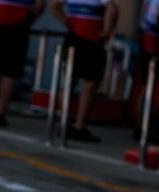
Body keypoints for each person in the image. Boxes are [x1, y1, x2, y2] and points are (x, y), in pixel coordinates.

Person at [51, 0, 119, 142]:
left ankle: (63, 121)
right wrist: (107, 32)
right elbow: (112, 9)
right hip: (92, 39)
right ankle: (79, 126)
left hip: (73, 37)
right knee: (91, 83)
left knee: (70, 81)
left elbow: (55, 6)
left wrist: (68, 22)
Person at [0, 0, 44, 127]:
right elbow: (40, 5)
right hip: (20, 23)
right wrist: (30, 18)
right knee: (10, 72)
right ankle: (1, 113)